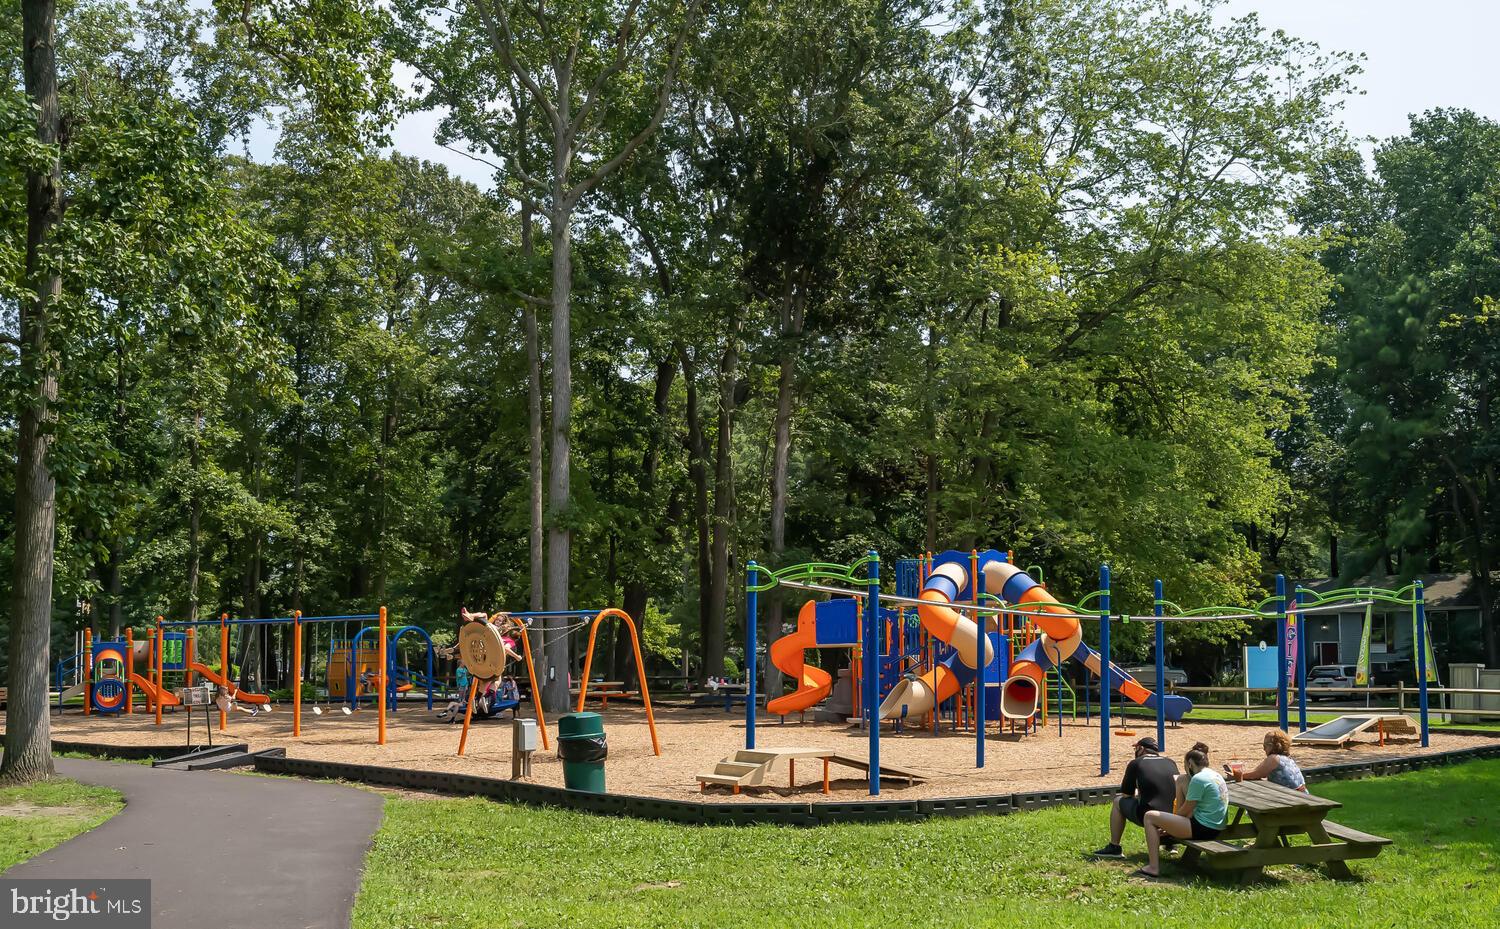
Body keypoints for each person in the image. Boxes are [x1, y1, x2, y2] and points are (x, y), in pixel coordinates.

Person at [1138, 746, 1229, 878]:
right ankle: (1155, 864)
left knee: (1149, 816)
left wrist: (1168, 826)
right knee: (1157, 817)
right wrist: (1171, 825)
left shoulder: (1199, 779)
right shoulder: (1216, 775)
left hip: (1204, 829)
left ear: (1190, 764)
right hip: (1217, 827)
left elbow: (1185, 810)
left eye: (1185, 765)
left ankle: (1153, 867)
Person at [1093, 737, 1179, 859]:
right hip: (1174, 817)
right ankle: (1171, 845)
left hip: (1151, 816)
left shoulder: (1136, 763)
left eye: (1136, 748)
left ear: (1141, 748)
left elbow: (1127, 794)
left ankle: (1114, 847)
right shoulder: (1171, 762)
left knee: (1118, 801)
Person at [1228, 729, 1306, 791]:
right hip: (1301, 795)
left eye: (1265, 745)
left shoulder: (1273, 758)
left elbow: (1255, 774)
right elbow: (1261, 772)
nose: (1264, 748)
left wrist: (1237, 776)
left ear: (1273, 746)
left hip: (1291, 798)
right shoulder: (1288, 759)